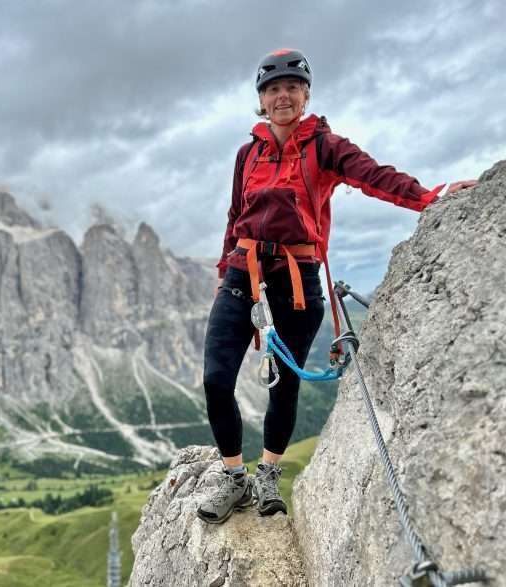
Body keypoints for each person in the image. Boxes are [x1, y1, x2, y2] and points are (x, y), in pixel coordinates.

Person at [196, 48, 477, 523]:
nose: (282, 96)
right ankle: (233, 478)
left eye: (292, 87)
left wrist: (430, 197)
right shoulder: (249, 153)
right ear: (261, 100)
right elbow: (234, 216)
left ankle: (267, 473)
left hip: (298, 280)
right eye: (272, 89)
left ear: (305, 94)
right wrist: (228, 271)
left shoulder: (326, 146)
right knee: (215, 378)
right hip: (245, 274)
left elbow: (374, 177)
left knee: (283, 387)